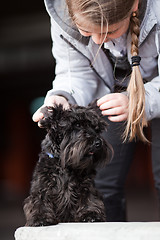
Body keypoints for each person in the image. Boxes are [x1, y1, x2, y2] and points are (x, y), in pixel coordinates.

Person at [33, 0, 160, 221]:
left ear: (135, 6)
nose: (98, 41)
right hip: (109, 96)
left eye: (109, 31)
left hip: (153, 88)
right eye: (85, 31)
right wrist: (63, 96)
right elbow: (76, 72)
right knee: (101, 181)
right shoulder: (66, 13)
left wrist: (141, 100)